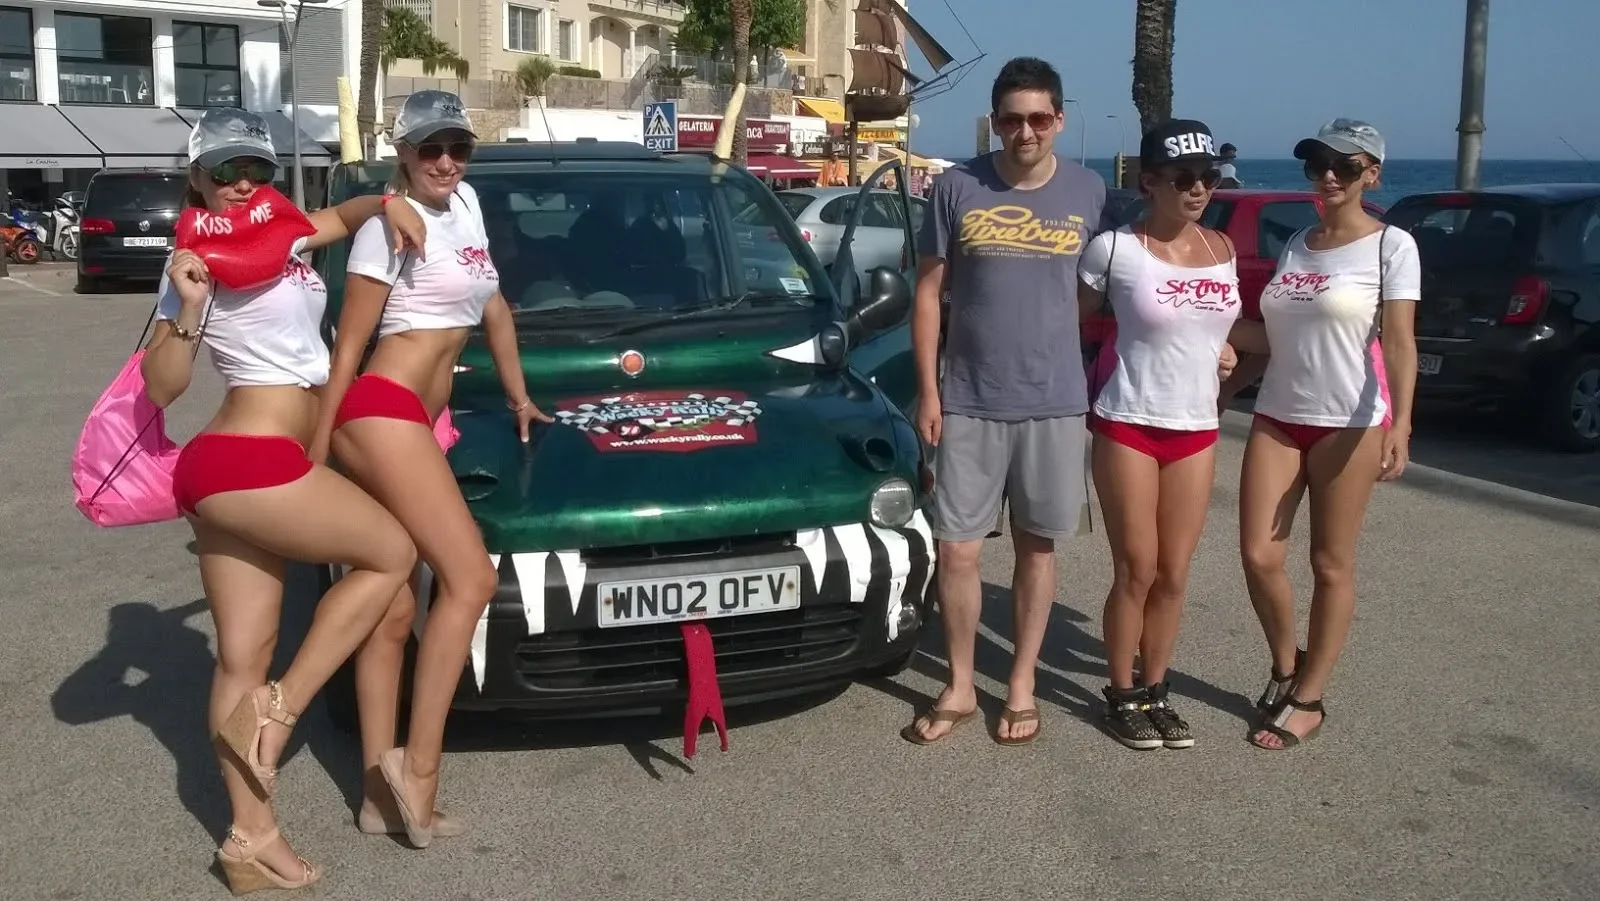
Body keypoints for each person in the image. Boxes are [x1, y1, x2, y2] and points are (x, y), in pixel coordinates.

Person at [143, 108, 426, 891]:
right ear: (196, 176)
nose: (243, 183)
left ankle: (250, 839)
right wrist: (190, 310)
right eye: (227, 170)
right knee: (390, 551)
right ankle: (280, 710)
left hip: (247, 469)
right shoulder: (194, 261)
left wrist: (385, 203)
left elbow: (333, 216)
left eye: (257, 170)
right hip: (247, 460)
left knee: (241, 654)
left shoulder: (280, 233)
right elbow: (161, 387)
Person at [314, 90, 552, 846]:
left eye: (458, 147)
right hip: (381, 409)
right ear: (403, 157)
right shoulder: (388, 226)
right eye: (429, 150)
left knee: (392, 606)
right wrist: (317, 450)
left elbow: (497, 310)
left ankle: (376, 795)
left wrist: (519, 397)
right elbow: (349, 345)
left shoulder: (468, 206)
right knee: (473, 577)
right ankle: (420, 772)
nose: (446, 162)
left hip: (422, 421)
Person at [903, 56, 1106, 746]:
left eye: (1039, 118)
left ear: (1059, 120)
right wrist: (928, 389)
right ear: (995, 122)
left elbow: (1108, 289)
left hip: (1054, 400)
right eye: (1013, 118)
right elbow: (927, 292)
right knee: (957, 551)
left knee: (1036, 548)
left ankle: (1021, 683)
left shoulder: (1090, 190)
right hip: (967, 398)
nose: (1026, 131)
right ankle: (960, 683)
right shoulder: (956, 187)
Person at [1076, 118, 1260, 749]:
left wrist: (1228, 356)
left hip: (1197, 428)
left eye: (1208, 177)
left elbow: (1213, 332)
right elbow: (1072, 324)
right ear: (1148, 181)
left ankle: (1155, 690)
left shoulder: (1223, 249)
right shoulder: (1113, 249)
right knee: (1137, 567)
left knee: (1175, 573)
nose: (1198, 189)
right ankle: (1120, 693)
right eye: (1183, 178)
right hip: (1127, 419)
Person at [1235, 119, 1419, 750]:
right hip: (1278, 413)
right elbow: (1270, 335)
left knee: (1329, 563)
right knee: (1259, 556)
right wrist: (1208, 343)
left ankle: (1310, 697)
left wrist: (1401, 422)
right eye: (1318, 164)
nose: (1329, 175)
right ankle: (1286, 666)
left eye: (1345, 164)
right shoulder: (1296, 244)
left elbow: (1399, 343)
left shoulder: (1392, 246)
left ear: (1373, 173)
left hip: (1350, 421)